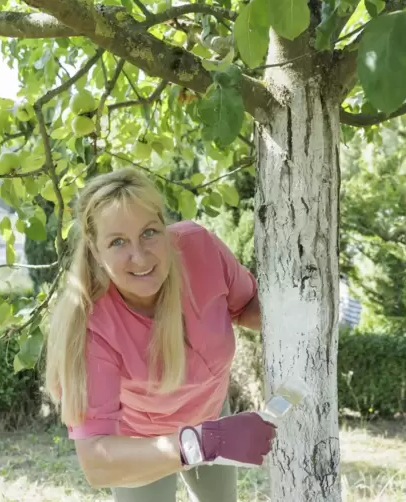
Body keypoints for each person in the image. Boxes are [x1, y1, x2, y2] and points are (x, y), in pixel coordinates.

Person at [44, 167, 276, 502]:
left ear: (164, 226)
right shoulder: (91, 326)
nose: (139, 256)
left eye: (149, 232)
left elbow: (247, 307)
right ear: (95, 250)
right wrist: (204, 441)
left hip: (210, 414)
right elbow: (96, 462)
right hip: (140, 442)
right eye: (118, 242)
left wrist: (302, 313)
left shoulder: (200, 248)